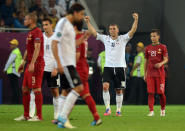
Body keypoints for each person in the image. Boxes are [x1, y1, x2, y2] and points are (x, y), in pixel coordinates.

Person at [84, 13, 138, 116]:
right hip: (108, 67)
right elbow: (94, 33)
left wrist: (136, 20)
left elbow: (132, 31)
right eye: (110, 29)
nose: (112, 30)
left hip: (120, 68)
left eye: (114, 28)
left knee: (119, 90)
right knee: (105, 87)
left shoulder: (123, 38)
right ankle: (108, 109)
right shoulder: (106, 39)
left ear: (117, 30)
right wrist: (87, 22)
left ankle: (118, 110)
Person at [51, 3, 86, 128]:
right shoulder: (62, 23)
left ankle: (60, 120)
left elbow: (73, 44)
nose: (82, 17)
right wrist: (58, 63)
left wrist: (84, 37)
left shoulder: (70, 26)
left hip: (69, 62)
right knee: (79, 88)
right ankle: (63, 117)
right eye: (81, 14)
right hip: (66, 64)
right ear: (75, 12)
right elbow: (54, 43)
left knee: (65, 91)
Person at [14, 13, 45, 121]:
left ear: (31, 20)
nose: (24, 20)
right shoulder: (30, 32)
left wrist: (32, 63)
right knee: (24, 88)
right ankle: (26, 115)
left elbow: (37, 48)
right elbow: (29, 49)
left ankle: (39, 116)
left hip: (37, 64)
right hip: (30, 63)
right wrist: (23, 62)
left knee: (36, 88)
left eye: (26, 19)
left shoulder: (37, 32)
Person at [74, 21, 102, 126]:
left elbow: (76, 56)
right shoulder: (83, 37)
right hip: (83, 67)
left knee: (70, 93)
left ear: (75, 27)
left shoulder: (78, 38)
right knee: (85, 94)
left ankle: (62, 118)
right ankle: (96, 117)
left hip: (79, 69)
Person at [144, 29, 168, 117]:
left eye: (154, 36)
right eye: (151, 36)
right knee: (150, 93)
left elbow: (166, 59)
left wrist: (161, 63)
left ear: (158, 36)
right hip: (150, 74)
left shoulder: (163, 47)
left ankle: (163, 109)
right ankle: (151, 111)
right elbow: (146, 61)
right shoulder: (148, 48)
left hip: (160, 74)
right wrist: (145, 73)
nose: (152, 38)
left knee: (161, 93)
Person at [3, 39, 22, 104]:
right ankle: (16, 101)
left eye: (12, 44)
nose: (10, 45)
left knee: (14, 88)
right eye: (11, 44)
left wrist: (5, 69)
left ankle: (14, 102)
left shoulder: (14, 52)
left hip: (12, 72)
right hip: (16, 72)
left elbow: (9, 61)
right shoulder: (18, 51)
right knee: (16, 87)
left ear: (15, 45)